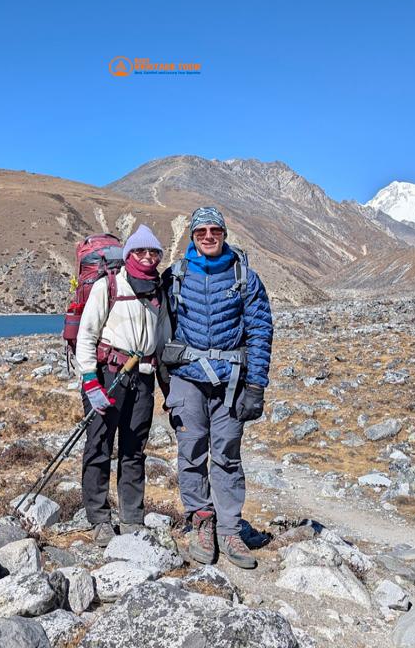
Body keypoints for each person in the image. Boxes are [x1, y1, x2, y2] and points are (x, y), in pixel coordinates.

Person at [161, 206, 272, 568]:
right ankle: (201, 521)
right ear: (191, 236)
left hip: (232, 382)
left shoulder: (245, 278)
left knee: (227, 455)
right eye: (201, 231)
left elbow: (260, 332)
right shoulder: (175, 276)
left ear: (224, 234)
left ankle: (229, 529)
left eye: (215, 230)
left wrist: (255, 386)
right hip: (187, 379)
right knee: (190, 452)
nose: (208, 236)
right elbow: (158, 326)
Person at [75, 224, 169, 546]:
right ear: (128, 255)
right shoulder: (109, 285)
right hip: (107, 375)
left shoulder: (158, 291)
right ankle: (99, 517)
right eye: (140, 251)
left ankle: (131, 517)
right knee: (99, 445)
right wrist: (89, 380)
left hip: (142, 378)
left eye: (153, 252)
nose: (147, 256)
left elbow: (163, 340)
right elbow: (86, 334)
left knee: (134, 449)